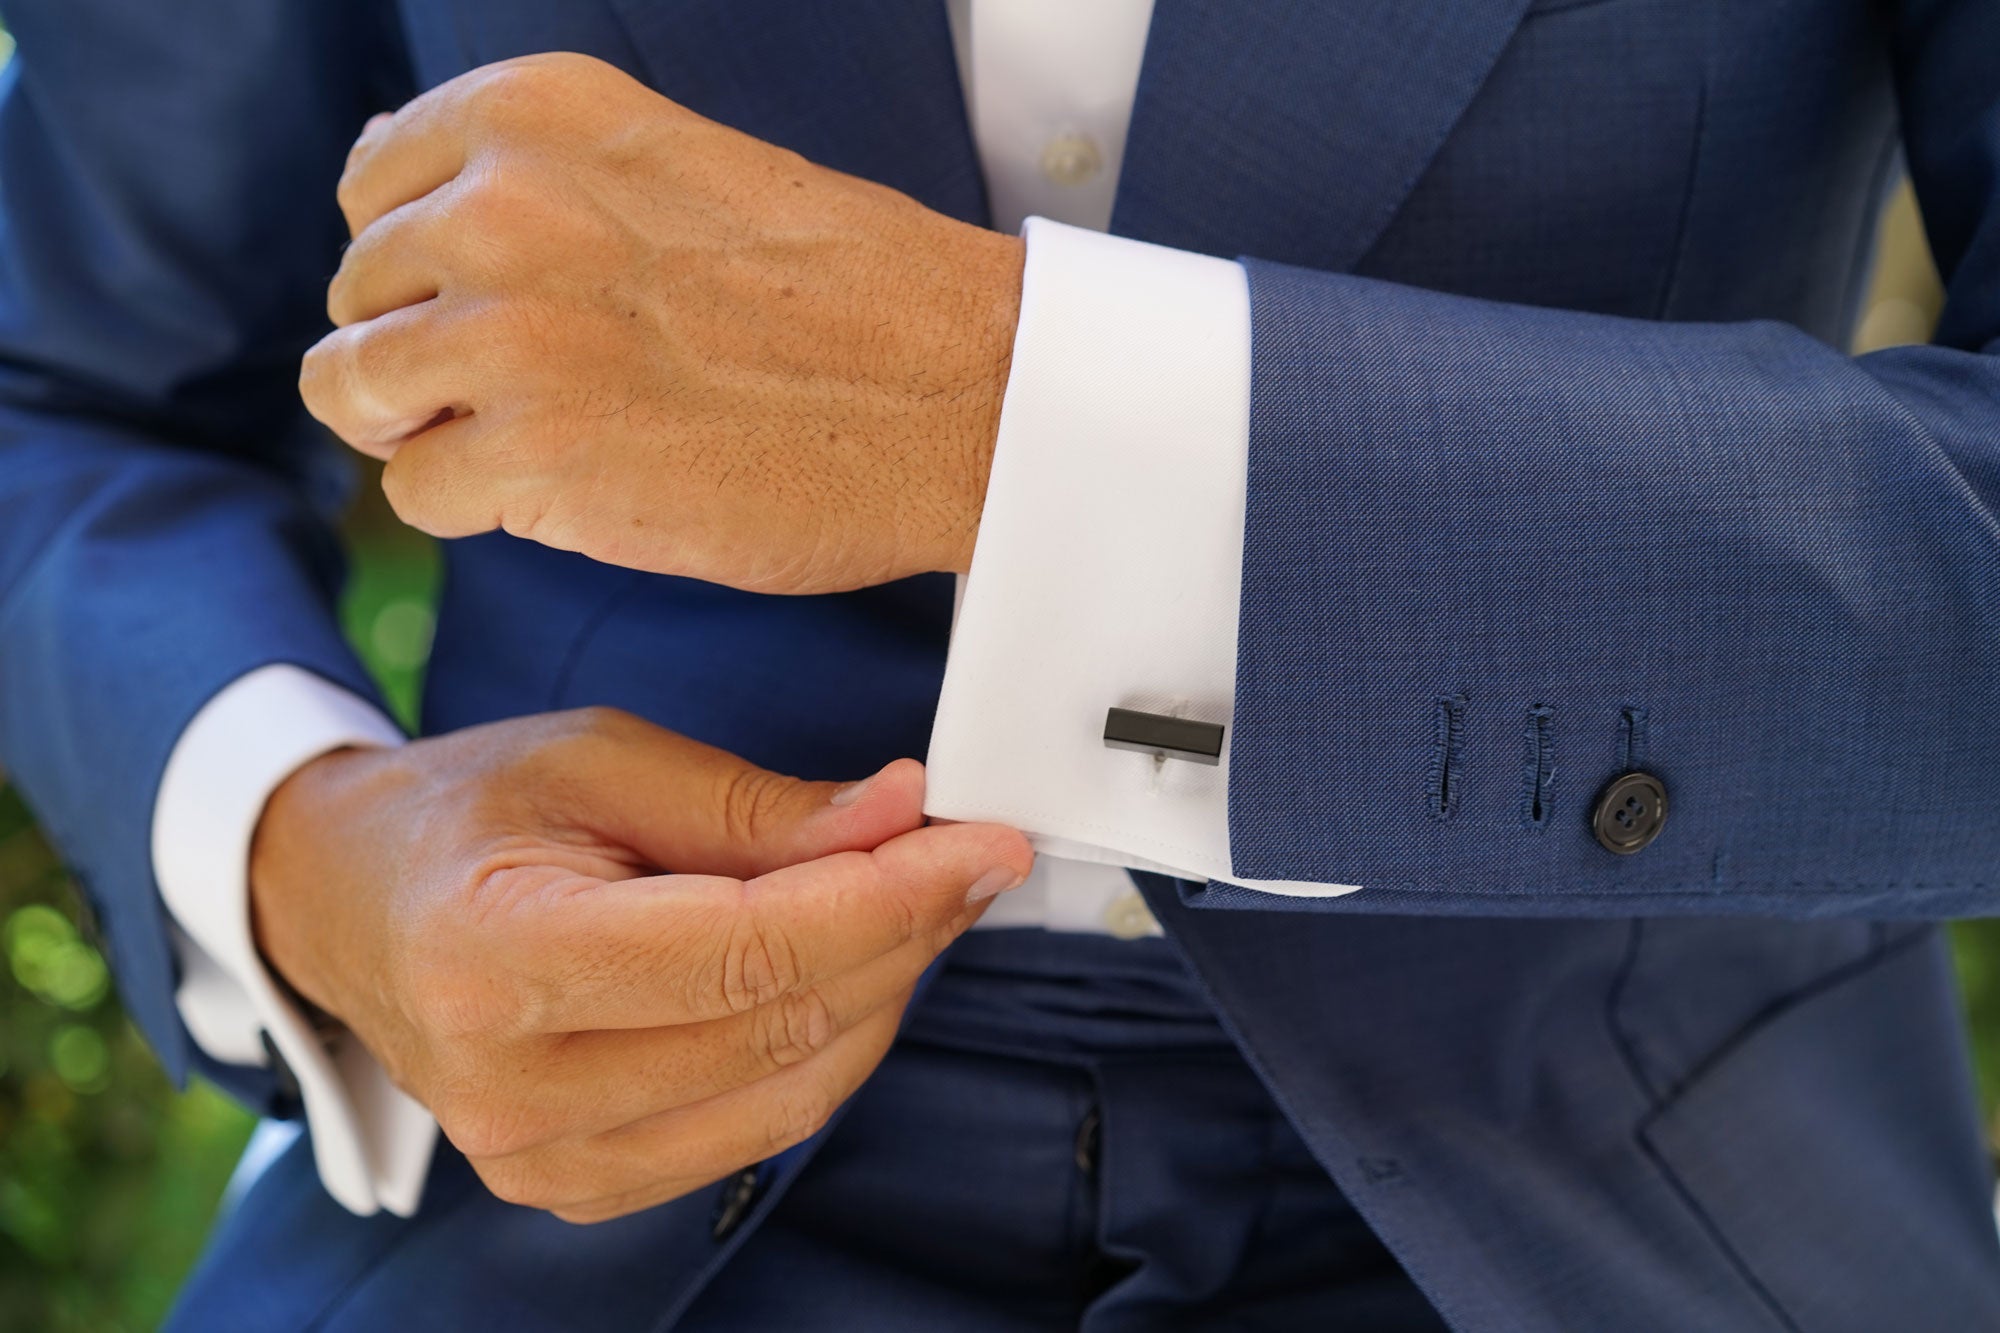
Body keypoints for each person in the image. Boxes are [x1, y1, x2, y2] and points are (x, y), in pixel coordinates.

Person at [2, 0, 1998, 1328]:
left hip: (1624, 1173)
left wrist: (1015, 417)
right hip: (563, 1200)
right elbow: (73, 392)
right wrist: (301, 848)